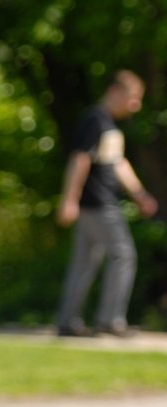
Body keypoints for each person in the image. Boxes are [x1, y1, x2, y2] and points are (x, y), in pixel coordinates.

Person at [55, 70, 158, 338]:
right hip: (99, 203)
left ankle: (68, 321)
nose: (136, 104)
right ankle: (110, 320)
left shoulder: (109, 125)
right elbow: (80, 159)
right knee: (123, 255)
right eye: (133, 97)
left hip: (94, 204)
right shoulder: (96, 119)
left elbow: (118, 164)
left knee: (85, 262)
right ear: (115, 92)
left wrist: (140, 194)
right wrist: (69, 199)